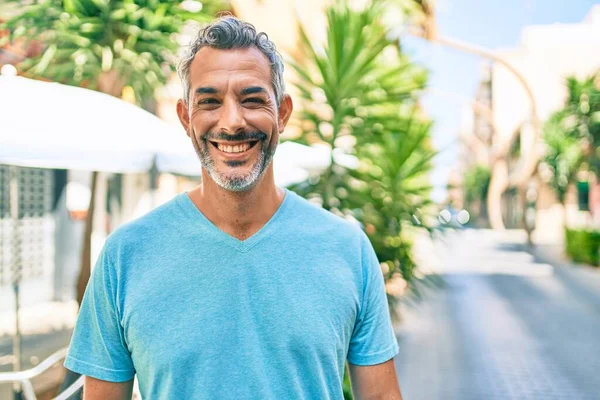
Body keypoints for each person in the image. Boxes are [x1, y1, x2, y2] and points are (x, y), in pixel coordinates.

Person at [64, 16, 403, 400]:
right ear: (185, 117)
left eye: (252, 99)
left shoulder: (348, 249)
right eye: (209, 102)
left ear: (284, 113)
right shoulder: (125, 255)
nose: (231, 122)